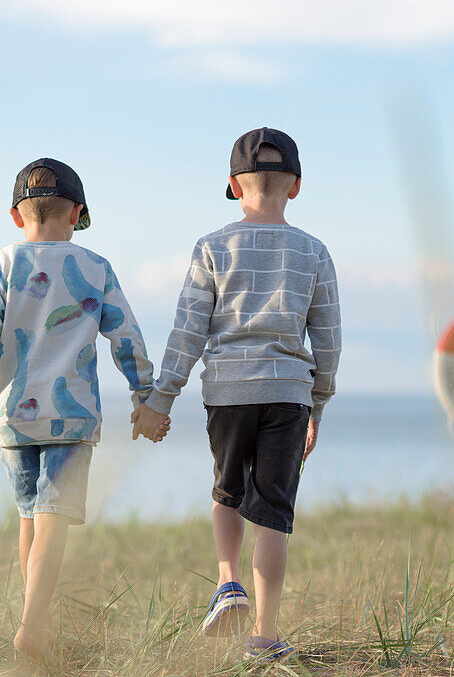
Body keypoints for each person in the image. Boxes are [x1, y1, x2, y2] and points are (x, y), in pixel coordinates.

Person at [0, 158, 167, 659]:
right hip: (72, 415)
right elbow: (126, 335)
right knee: (51, 522)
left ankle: (35, 625)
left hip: (12, 416)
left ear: (17, 216)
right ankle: (33, 625)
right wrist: (143, 393)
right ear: (77, 213)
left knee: (29, 518)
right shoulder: (94, 268)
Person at [133, 128, 341, 661]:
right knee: (272, 509)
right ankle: (265, 637)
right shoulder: (314, 252)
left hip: (226, 390)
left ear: (232, 185)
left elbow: (188, 330)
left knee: (227, 489)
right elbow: (329, 339)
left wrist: (162, 397)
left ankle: (228, 583)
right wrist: (317, 402)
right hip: (288, 393)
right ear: (295, 186)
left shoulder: (212, 247)